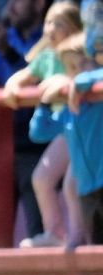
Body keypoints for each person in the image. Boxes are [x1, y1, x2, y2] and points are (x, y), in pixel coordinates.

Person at [28, 34, 103, 247]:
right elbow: (39, 132)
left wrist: (81, 81)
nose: (78, 71)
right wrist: (43, 103)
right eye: (71, 67)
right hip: (87, 190)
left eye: (83, 64)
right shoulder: (70, 111)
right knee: (96, 247)